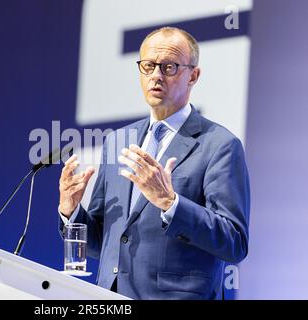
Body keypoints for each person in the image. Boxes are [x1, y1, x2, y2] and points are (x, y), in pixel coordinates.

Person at [58, 27, 250, 300]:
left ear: (193, 75)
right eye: (148, 66)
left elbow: (234, 242)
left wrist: (170, 203)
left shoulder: (219, 144)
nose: (156, 76)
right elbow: (107, 242)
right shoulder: (117, 141)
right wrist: (71, 211)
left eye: (169, 67)